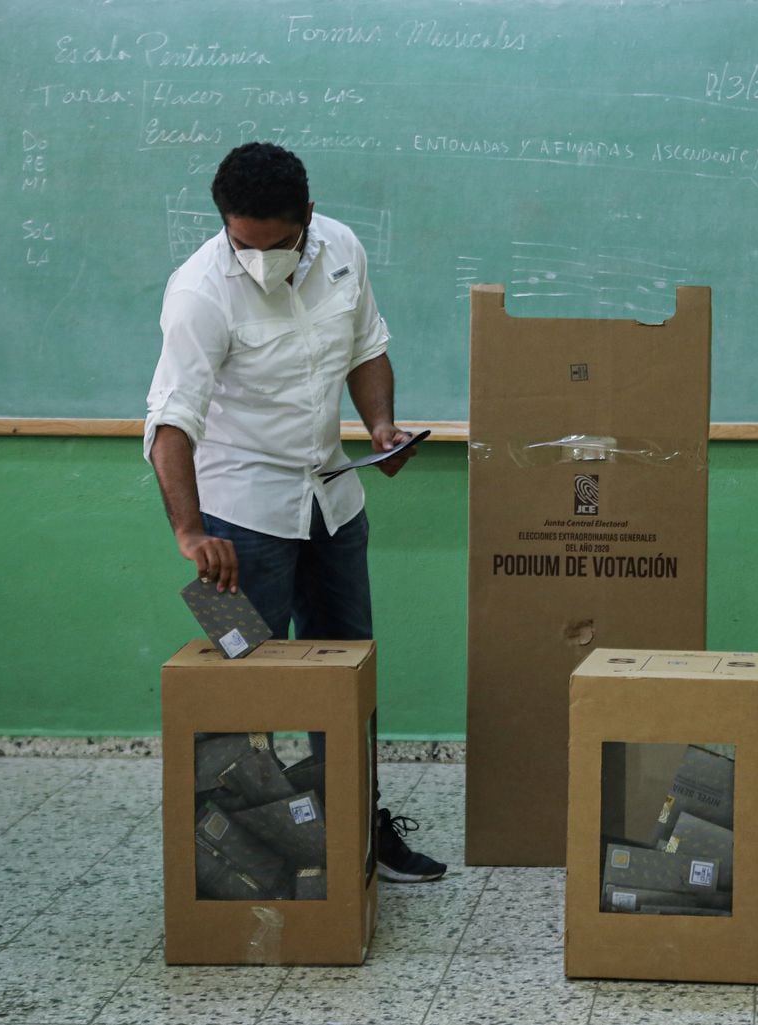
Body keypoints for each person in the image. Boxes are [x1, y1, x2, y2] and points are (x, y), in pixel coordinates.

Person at [144, 142, 446, 883]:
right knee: (238, 683)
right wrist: (190, 531)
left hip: (333, 502)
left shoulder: (341, 246)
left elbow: (367, 349)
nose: (259, 259)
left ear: (306, 218)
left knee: (347, 671)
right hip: (237, 524)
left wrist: (380, 426)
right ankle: (239, 851)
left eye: (276, 243)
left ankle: (355, 832)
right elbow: (169, 424)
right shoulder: (198, 293)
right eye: (242, 243)